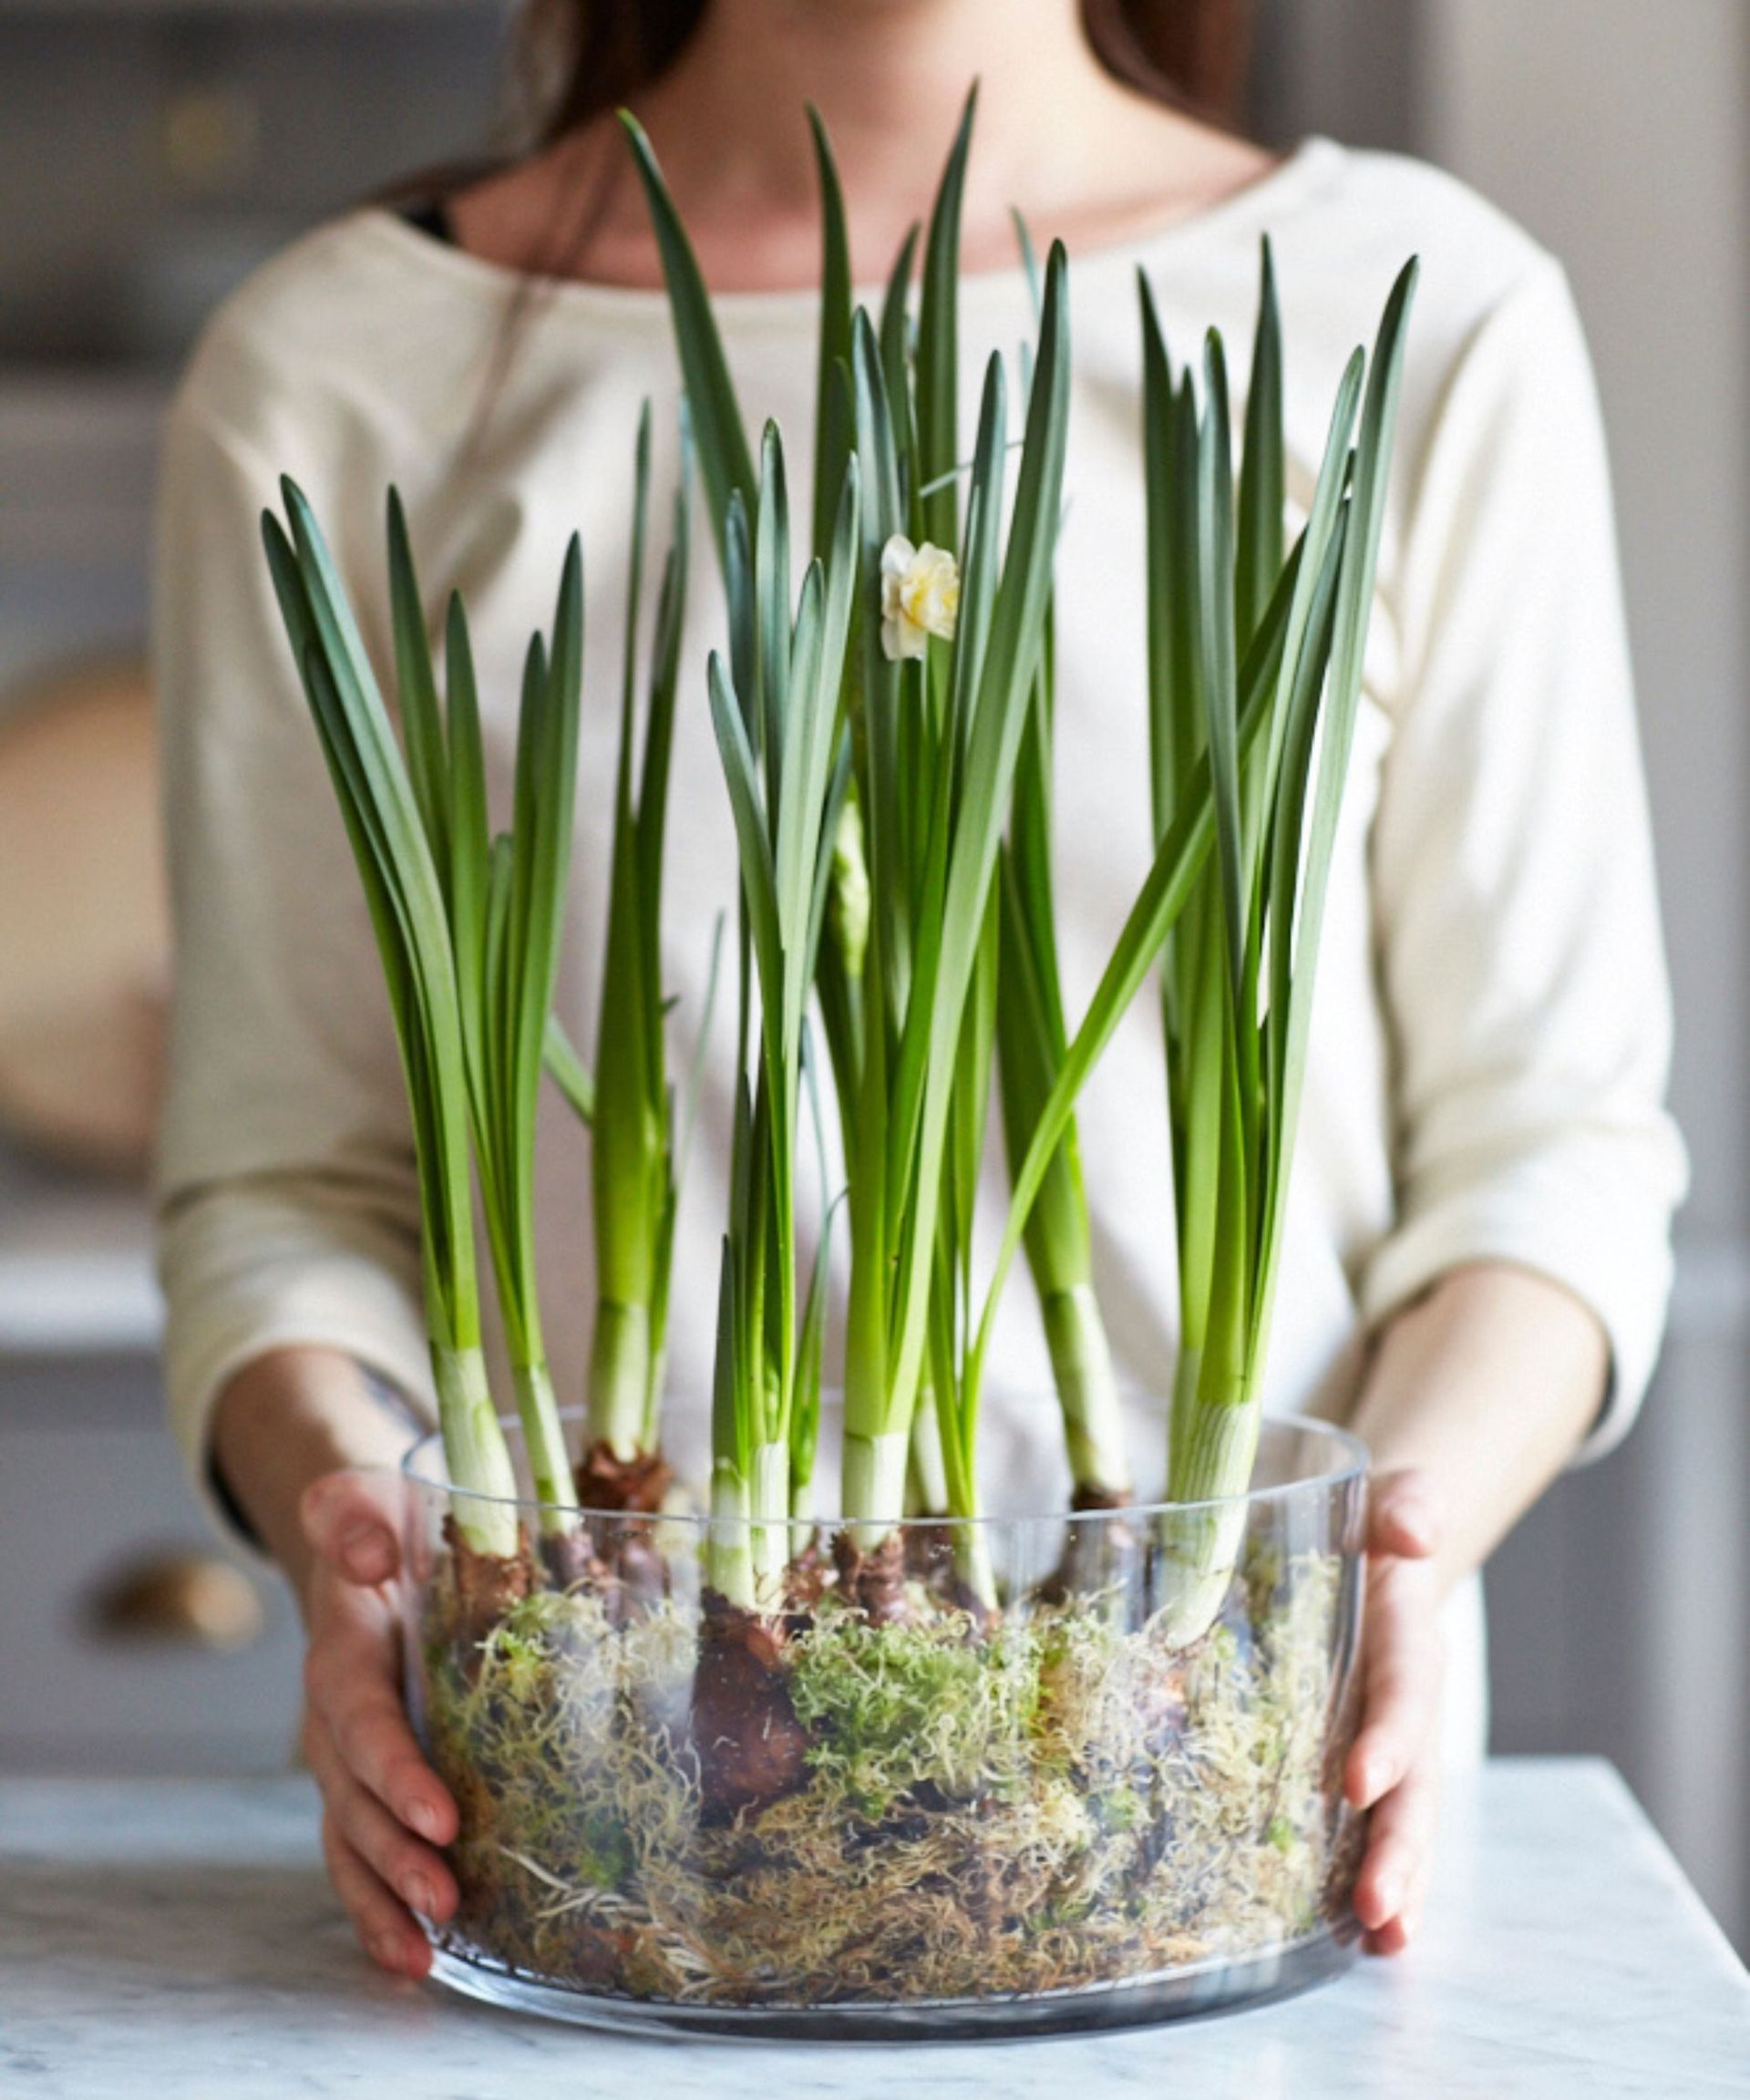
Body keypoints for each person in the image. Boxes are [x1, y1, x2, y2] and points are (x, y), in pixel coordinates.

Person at [152, 0, 1685, 1982]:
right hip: (607, 1828)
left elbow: (1550, 1155)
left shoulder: (1418, 311)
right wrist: (354, 1534)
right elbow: (284, 1184)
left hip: (1215, 1829)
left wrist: (1391, 1544)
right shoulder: (338, 369)